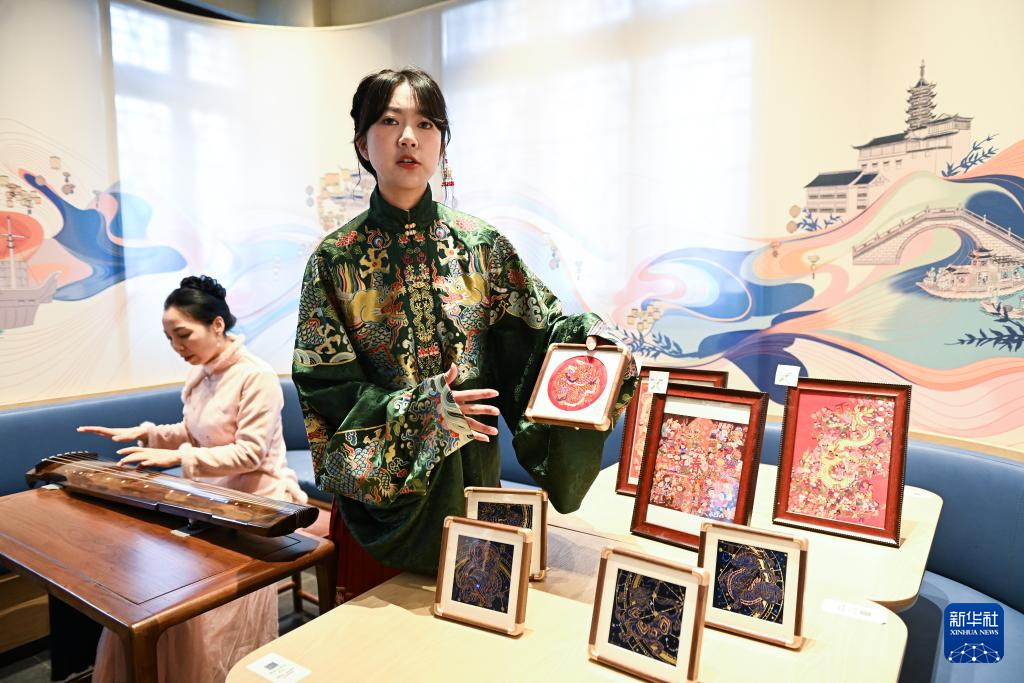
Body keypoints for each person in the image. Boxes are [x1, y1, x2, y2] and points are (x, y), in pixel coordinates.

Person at [292, 67, 634, 599]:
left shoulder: (481, 246)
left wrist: (590, 345)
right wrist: (423, 411)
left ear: (442, 143)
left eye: (426, 124)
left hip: (474, 485)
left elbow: (538, 333)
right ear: (363, 143)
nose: (409, 137)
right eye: (390, 121)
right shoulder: (335, 261)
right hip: (385, 505)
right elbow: (325, 389)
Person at [79, 275, 307, 683]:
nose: (177, 347)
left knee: (200, 611)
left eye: (183, 335)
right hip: (208, 500)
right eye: (170, 339)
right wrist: (143, 432)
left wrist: (176, 456)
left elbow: (250, 454)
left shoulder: (255, 377)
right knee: (157, 596)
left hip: (256, 508)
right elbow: (193, 431)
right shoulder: (202, 373)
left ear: (217, 325)